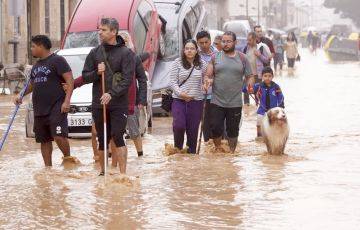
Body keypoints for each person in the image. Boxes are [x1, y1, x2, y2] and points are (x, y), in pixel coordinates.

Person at [82, 18, 135, 175]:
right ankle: (103, 173)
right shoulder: (95, 53)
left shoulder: (126, 53)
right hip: (99, 103)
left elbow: (127, 80)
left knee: (118, 135)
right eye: (99, 29)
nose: (100, 32)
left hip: (118, 103)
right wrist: (97, 73)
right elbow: (85, 76)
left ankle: (123, 175)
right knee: (102, 137)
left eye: (103, 30)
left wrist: (111, 94)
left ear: (113, 32)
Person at [14, 35, 74, 166]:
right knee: (44, 139)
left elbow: (70, 81)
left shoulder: (58, 60)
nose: (31, 49)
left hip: (57, 106)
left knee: (58, 135)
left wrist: (67, 101)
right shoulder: (36, 66)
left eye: (33, 46)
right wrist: (20, 95)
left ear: (41, 46)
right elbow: (32, 84)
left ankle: (68, 159)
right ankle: (48, 169)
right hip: (40, 108)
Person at [203, 31, 253, 153]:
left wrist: (250, 84)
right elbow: (208, 74)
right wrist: (207, 81)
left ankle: (232, 153)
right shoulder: (215, 57)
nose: (225, 44)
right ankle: (218, 149)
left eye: (228, 41)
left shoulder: (242, 58)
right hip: (217, 100)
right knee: (215, 127)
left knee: (233, 130)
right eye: (223, 41)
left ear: (235, 42)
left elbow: (250, 75)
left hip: (235, 102)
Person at [169, 39, 207, 154]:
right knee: (178, 126)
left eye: (192, 49)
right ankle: (178, 151)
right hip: (179, 100)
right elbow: (172, 82)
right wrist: (181, 94)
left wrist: (206, 84)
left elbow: (207, 78)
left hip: (196, 101)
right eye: (187, 48)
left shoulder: (202, 64)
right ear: (183, 50)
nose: (189, 51)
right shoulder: (177, 62)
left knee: (193, 130)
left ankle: (191, 157)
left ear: (196, 51)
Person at [243, 66, 284, 140]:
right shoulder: (258, 86)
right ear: (262, 77)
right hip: (262, 109)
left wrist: (281, 107)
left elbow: (281, 97)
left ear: (272, 77)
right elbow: (249, 90)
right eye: (265, 76)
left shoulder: (276, 87)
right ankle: (259, 136)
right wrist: (246, 88)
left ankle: (274, 137)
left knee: (274, 123)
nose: (267, 78)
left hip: (273, 110)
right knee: (259, 120)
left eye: (269, 76)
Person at [196, 30, 218, 143]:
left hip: (217, 94)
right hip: (201, 95)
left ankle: (218, 146)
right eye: (201, 43)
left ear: (210, 41)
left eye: (206, 42)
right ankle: (208, 145)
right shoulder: (195, 56)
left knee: (217, 123)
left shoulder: (218, 54)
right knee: (205, 123)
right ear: (197, 43)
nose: (204, 45)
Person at [242, 32, 270, 105]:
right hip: (248, 74)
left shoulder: (260, 47)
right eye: (247, 40)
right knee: (246, 92)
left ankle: (258, 107)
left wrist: (259, 55)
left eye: (250, 40)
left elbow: (267, 60)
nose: (248, 42)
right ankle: (247, 109)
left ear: (255, 39)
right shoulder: (246, 48)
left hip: (258, 75)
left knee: (257, 92)